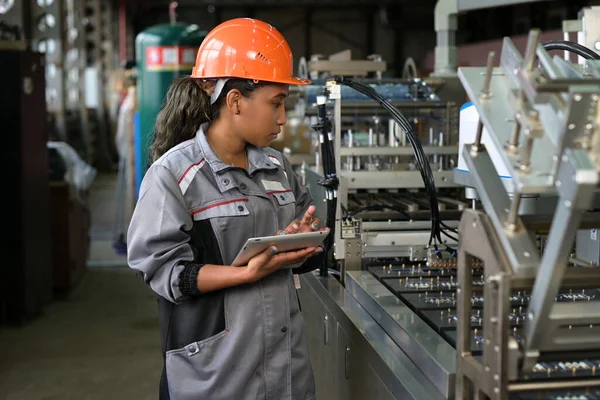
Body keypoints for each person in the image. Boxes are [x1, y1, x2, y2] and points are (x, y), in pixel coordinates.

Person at [127, 18, 327, 400]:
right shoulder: (174, 175)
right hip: (216, 375)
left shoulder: (278, 168)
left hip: (285, 369)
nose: (283, 119)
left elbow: (299, 254)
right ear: (235, 100)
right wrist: (245, 273)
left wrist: (299, 244)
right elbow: (164, 271)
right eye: (276, 103)